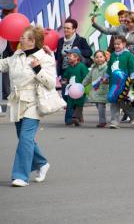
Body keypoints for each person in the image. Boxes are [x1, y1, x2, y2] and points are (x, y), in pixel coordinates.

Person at [1, 26, 54, 187]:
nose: (20, 39)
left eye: (24, 37)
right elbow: (3, 65)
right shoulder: (16, 56)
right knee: (25, 138)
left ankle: (20, 176)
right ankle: (42, 163)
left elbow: (51, 83)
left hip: (34, 102)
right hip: (17, 102)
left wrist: (38, 68)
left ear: (32, 41)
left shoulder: (44, 57)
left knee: (25, 138)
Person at [105, 35, 134, 129]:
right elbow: (109, 68)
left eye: (118, 44)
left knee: (124, 103)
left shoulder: (128, 55)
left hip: (124, 84)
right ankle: (114, 122)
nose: (116, 46)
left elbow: (133, 67)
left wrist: (132, 78)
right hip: (114, 83)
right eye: (115, 44)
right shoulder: (113, 55)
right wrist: (106, 76)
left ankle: (133, 116)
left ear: (124, 44)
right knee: (114, 102)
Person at [82, 50, 109, 127]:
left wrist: (106, 80)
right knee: (98, 104)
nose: (99, 59)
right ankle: (102, 120)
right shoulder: (94, 68)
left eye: (101, 57)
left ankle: (102, 121)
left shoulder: (107, 67)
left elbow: (109, 76)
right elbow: (88, 78)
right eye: (96, 57)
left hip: (104, 89)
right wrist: (82, 85)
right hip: (96, 90)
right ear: (94, 59)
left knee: (101, 105)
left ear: (104, 58)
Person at [61, 49, 88, 126]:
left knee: (79, 104)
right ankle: (75, 118)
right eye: (68, 56)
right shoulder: (69, 68)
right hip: (71, 90)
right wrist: (64, 81)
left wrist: (83, 86)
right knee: (71, 103)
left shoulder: (81, 66)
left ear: (77, 57)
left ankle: (75, 118)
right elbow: (65, 77)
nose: (68, 57)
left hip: (80, 90)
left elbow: (87, 77)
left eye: (70, 55)